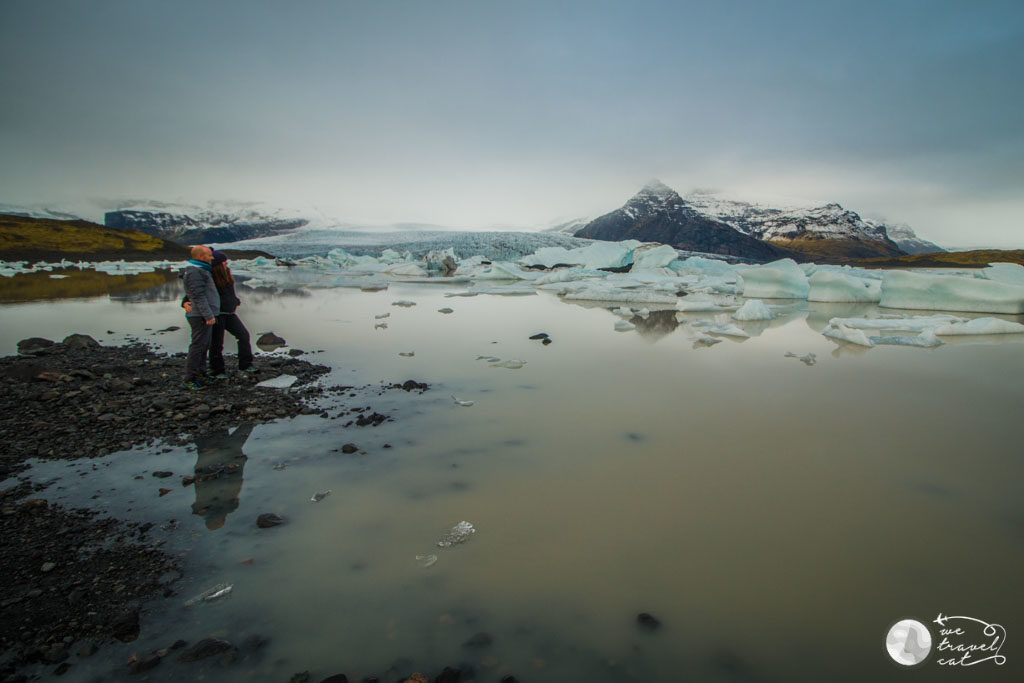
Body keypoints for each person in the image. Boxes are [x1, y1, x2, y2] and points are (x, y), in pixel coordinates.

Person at [184, 250, 254, 376]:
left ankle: (246, 364)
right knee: (216, 343)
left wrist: (235, 300)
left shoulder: (227, 275)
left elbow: (228, 293)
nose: (226, 264)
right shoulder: (208, 276)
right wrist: (184, 302)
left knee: (243, 335)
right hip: (217, 313)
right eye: (224, 262)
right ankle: (217, 370)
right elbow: (194, 292)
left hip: (230, 313)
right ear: (218, 264)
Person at [180, 245, 220, 390]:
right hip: (200, 315)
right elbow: (197, 295)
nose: (212, 257)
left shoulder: (202, 270)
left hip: (203, 314)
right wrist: (208, 314)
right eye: (209, 255)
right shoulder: (195, 272)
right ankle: (189, 378)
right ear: (201, 257)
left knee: (204, 346)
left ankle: (201, 374)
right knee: (197, 346)